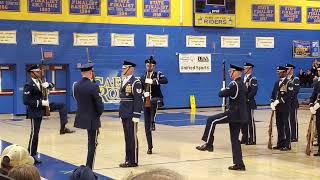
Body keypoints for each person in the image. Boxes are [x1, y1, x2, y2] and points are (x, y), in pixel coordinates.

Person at [196, 64, 248, 171]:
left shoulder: (234, 84)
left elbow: (221, 94)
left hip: (233, 114)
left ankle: (208, 143)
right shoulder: (242, 84)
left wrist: (224, 89)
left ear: (236, 72)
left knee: (211, 119)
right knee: (235, 140)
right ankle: (239, 164)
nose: (230, 74)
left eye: (231, 72)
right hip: (240, 115)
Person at [73, 63, 104, 169]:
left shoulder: (76, 85)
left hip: (82, 117)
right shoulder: (93, 86)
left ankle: (88, 167)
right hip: (92, 119)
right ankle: (89, 168)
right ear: (91, 73)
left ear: (82, 73)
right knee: (92, 145)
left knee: (90, 143)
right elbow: (99, 106)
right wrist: (98, 114)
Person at [140, 56, 168, 154]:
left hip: (157, 99)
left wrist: (154, 81)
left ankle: (153, 121)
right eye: (147, 65)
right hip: (146, 101)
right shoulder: (143, 77)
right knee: (146, 126)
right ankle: (149, 146)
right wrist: (143, 94)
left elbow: (165, 81)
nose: (149, 67)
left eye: (151, 65)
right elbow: (140, 89)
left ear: (154, 66)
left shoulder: (158, 74)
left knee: (153, 102)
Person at [23, 64, 50, 164]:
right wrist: (41, 103)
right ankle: (30, 155)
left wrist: (49, 85)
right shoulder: (28, 85)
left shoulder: (40, 82)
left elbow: (49, 86)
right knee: (34, 133)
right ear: (32, 73)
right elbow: (26, 101)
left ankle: (33, 153)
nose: (39, 73)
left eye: (39, 71)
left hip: (39, 112)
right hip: (34, 112)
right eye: (37, 71)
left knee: (36, 133)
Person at [119, 60, 143, 168]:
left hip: (131, 115)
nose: (123, 69)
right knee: (127, 137)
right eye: (123, 68)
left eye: (125, 68)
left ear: (131, 69)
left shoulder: (135, 82)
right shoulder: (124, 81)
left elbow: (138, 100)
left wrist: (137, 115)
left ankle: (133, 161)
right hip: (125, 114)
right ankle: (128, 159)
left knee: (132, 137)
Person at [270, 66, 293, 151]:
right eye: (278, 72)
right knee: (279, 125)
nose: (278, 73)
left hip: (285, 107)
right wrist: (272, 102)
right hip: (278, 108)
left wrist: (279, 101)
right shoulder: (277, 83)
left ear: (284, 72)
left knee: (286, 125)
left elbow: (289, 95)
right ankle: (280, 143)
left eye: (280, 72)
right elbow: (273, 93)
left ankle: (287, 145)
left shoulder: (289, 82)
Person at [241, 62, 258, 145]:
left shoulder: (252, 79)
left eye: (246, 68)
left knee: (250, 121)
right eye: (244, 67)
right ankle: (245, 137)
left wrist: (246, 98)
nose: (244, 69)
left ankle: (252, 139)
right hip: (243, 104)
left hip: (249, 103)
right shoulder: (243, 78)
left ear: (250, 69)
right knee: (243, 121)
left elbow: (254, 91)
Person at [286, 64, 300, 142]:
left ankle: (294, 136)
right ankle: (288, 135)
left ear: (292, 69)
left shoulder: (295, 79)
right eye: (286, 69)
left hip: (293, 102)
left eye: (288, 69)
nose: (287, 70)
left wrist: (287, 97)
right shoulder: (285, 79)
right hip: (286, 103)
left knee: (293, 119)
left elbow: (296, 91)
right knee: (286, 120)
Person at [309, 66, 320, 156]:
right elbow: (313, 95)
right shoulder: (317, 82)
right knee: (318, 127)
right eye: (318, 70)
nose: (319, 72)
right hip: (318, 109)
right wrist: (311, 105)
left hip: (319, 106)